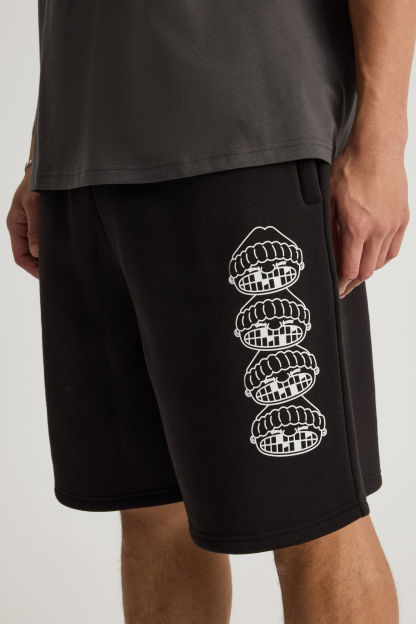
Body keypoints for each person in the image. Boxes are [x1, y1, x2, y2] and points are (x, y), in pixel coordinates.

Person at [6, 1, 415, 622]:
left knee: (313, 520)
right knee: (153, 509)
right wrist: (44, 151)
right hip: (84, 154)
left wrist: (381, 147)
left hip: (249, 138)